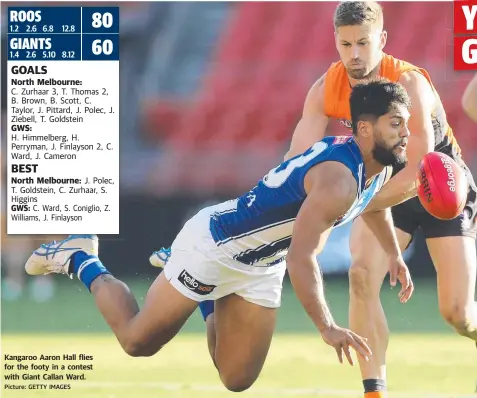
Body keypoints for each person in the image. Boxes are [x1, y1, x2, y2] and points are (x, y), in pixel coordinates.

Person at [154, 2, 477, 396]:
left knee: (458, 314)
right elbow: (293, 163)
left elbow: (418, 171)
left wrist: (352, 204)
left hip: (439, 185)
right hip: (378, 190)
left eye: (363, 42)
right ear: (336, 43)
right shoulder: (327, 87)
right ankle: (374, 390)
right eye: (345, 44)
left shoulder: (409, 84)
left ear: (383, 41)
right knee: (361, 277)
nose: (354, 54)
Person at [26, 80, 413, 392]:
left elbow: (373, 204)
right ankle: (82, 257)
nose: (405, 133)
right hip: (216, 245)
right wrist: (327, 327)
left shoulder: (376, 164)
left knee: (236, 379)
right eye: (396, 123)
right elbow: (302, 257)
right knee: (136, 342)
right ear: (364, 128)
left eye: (406, 123)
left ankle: (203, 294)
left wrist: (393, 253)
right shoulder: (338, 179)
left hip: (262, 261)